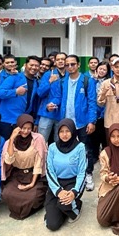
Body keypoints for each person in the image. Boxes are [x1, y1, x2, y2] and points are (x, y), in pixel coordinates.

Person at [47, 55, 98, 191]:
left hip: (82, 122)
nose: (70, 67)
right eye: (67, 64)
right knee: (64, 148)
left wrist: (91, 121)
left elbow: (92, 102)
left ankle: (88, 174)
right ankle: (69, 174)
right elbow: (58, 97)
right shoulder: (62, 81)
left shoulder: (87, 81)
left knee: (86, 149)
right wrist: (52, 104)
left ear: (78, 65)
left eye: (73, 64)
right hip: (66, 122)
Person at [1, 114, 48, 220]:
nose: (26, 131)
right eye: (23, 128)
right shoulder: (9, 142)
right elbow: (9, 161)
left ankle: (28, 208)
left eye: (29, 128)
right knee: (7, 194)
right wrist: (12, 139)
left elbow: (39, 163)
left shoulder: (38, 139)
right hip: (17, 175)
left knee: (34, 197)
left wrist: (31, 184)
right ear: (18, 127)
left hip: (33, 174)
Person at [44, 119, 87, 230]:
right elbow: (49, 171)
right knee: (52, 225)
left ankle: (76, 207)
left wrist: (74, 192)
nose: (64, 134)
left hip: (73, 183)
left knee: (64, 204)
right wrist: (58, 191)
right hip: (56, 183)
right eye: (61, 131)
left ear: (72, 132)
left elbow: (82, 172)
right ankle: (61, 209)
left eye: (67, 131)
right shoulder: (52, 147)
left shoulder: (80, 147)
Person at [0, 55, 41, 139]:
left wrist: (35, 121)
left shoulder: (36, 82)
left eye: (36, 66)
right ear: (25, 65)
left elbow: (34, 104)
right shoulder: (14, 77)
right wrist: (15, 92)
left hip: (22, 122)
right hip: (7, 121)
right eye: (31, 65)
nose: (34, 67)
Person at [36, 52, 68, 142]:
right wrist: (49, 82)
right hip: (47, 113)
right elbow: (40, 93)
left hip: (63, 114)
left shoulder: (70, 76)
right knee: (41, 140)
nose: (60, 61)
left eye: (63, 59)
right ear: (55, 62)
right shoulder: (48, 74)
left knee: (60, 141)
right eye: (58, 59)